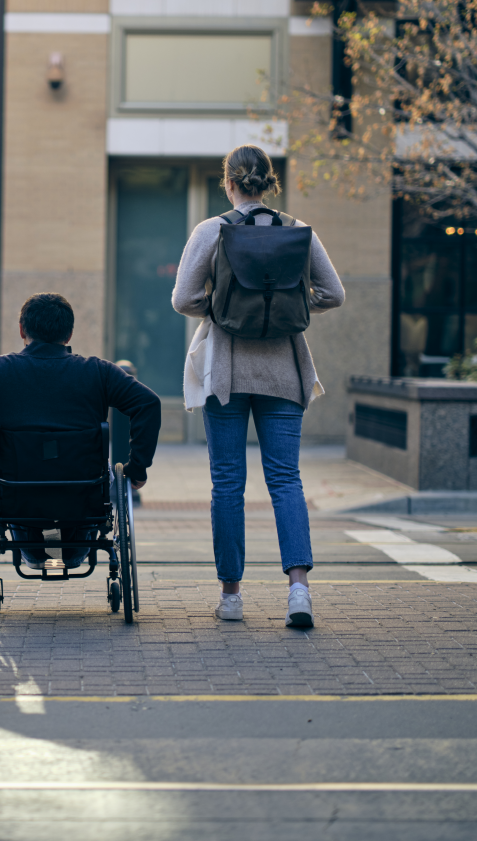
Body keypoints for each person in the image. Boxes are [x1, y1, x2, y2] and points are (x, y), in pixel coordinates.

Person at [171, 146, 344, 628]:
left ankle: (231, 597)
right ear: (270, 183)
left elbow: (183, 297)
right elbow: (335, 293)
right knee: (286, 480)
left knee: (228, 483)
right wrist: (291, 303)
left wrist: (224, 307)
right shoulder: (297, 232)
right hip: (285, 372)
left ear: (228, 182)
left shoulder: (211, 230)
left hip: (226, 372)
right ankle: (299, 593)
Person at [0, 292, 161, 571]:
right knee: (86, 498)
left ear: (22, 330)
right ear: (69, 334)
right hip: (84, 498)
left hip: (18, 500)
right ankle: (69, 550)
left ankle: (36, 553)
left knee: (22, 499)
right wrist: (137, 468)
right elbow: (148, 403)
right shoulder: (98, 372)